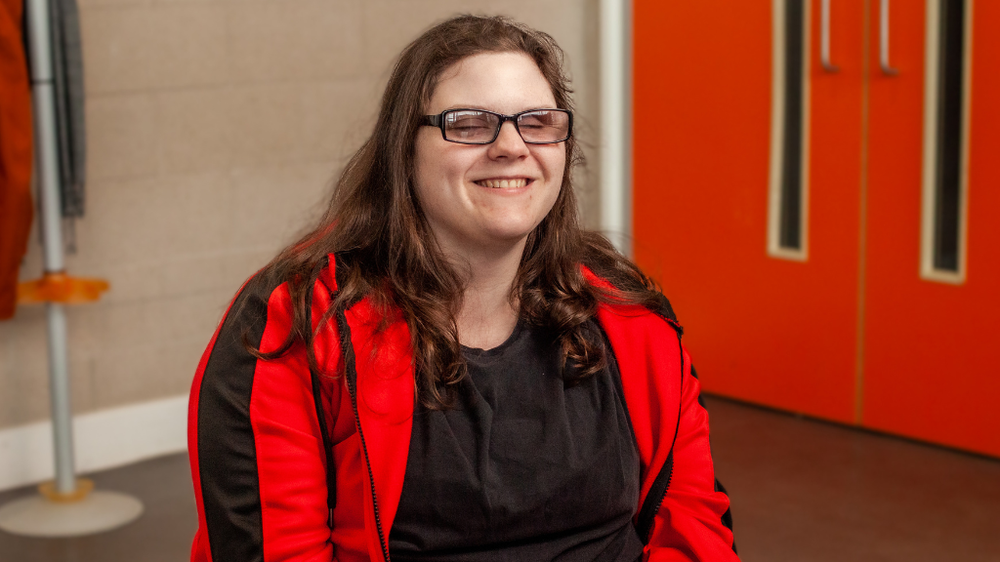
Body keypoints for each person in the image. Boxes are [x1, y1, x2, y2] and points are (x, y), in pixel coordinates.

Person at [187, 14, 738, 562]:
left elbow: (692, 523)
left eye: (538, 121)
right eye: (470, 123)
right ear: (405, 149)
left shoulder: (628, 312)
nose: (511, 146)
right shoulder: (298, 322)